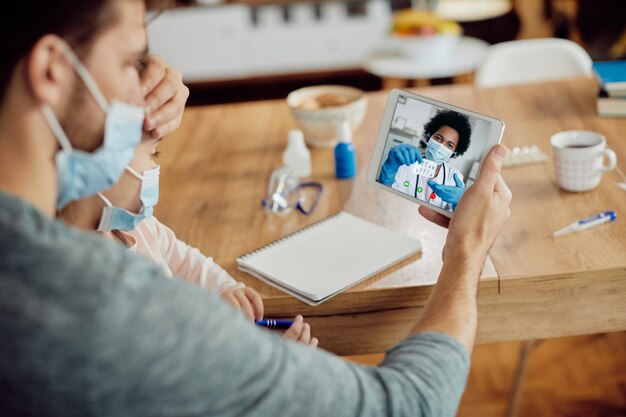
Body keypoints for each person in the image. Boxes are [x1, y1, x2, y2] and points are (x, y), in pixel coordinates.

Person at [0, 1, 511, 416]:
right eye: (132, 61)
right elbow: (410, 405)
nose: (160, 81)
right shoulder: (110, 313)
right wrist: (466, 250)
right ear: (52, 70)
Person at [58, 132, 318, 346]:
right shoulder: (95, 284)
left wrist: (221, 289)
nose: (155, 168)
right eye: (152, 154)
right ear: (102, 165)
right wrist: (270, 366)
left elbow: (183, 261)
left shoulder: (133, 225)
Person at [379, 110, 472, 212]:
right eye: (438, 138)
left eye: (449, 145)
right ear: (429, 137)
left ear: (455, 152)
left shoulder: (455, 177)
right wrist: (389, 170)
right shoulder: (406, 163)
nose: (441, 146)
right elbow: (384, 196)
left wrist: (458, 203)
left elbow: (454, 217)